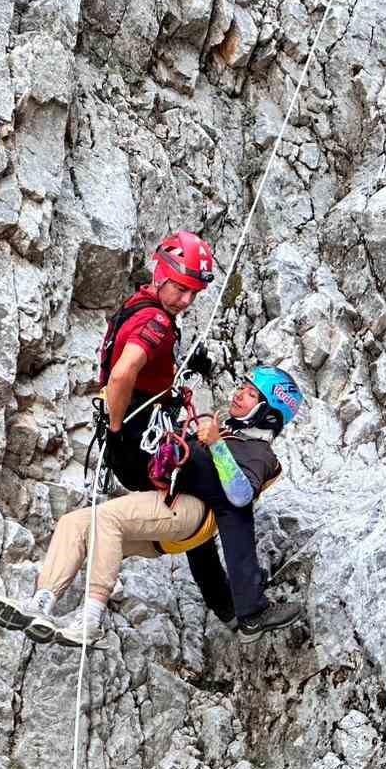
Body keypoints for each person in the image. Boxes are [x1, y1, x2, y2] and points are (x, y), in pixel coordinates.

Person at [0, 367, 306, 645]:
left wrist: (216, 445)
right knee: (75, 523)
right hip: (169, 515)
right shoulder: (225, 433)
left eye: (251, 394)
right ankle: (42, 602)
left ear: (269, 412)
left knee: (106, 521)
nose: (239, 395)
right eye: (242, 387)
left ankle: (90, 618)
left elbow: (240, 495)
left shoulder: (260, 454)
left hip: (189, 510)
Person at [96, 230, 236, 623]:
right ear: (162, 274)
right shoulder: (156, 320)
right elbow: (123, 375)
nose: (187, 301)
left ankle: (225, 602)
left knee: (196, 497)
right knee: (215, 487)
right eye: (181, 289)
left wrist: (184, 367)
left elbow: (139, 371)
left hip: (134, 439)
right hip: (137, 442)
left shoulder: (142, 306)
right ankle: (236, 605)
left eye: (194, 293)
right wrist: (118, 426)